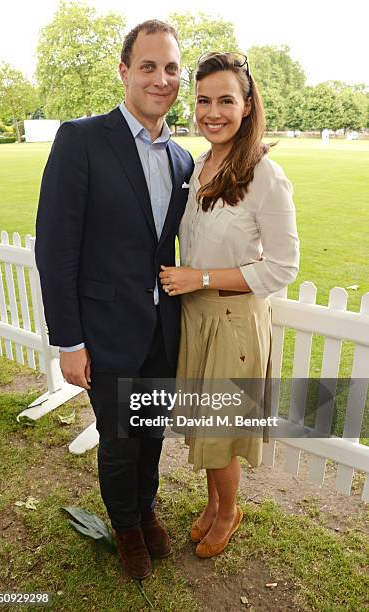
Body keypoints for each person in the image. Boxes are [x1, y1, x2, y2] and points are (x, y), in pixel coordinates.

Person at [35, 20, 194, 580]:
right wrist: (69, 342)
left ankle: (146, 507)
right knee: (119, 438)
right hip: (103, 333)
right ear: (124, 71)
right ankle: (125, 527)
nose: (161, 78)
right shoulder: (82, 139)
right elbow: (55, 248)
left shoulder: (181, 161)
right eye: (148, 66)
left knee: (150, 432)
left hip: (160, 330)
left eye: (171, 68)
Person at [160, 52, 299, 558]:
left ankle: (227, 512)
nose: (212, 111)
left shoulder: (266, 175)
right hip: (196, 316)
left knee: (220, 430)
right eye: (203, 100)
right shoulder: (197, 167)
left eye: (225, 100)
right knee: (205, 423)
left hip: (234, 319)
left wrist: (197, 276)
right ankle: (216, 503)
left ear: (246, 105)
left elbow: (283, 268)